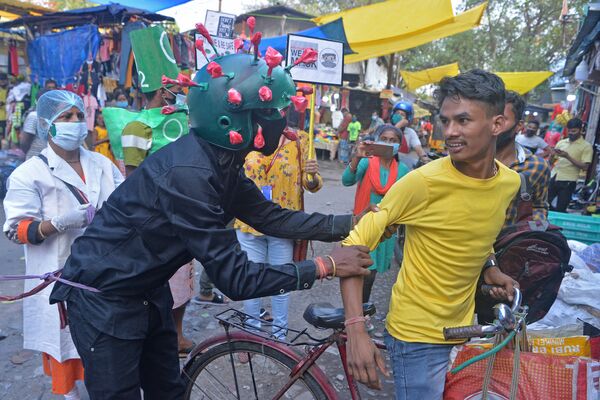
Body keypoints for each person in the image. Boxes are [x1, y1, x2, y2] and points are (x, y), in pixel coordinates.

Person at [48, 41, 373, 399]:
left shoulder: (223, 160)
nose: (283, 121)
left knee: (168, 390)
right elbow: (235, 279)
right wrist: (326, 265)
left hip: (148, 290)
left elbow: (267, 216)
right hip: (104, 298)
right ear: (233, 117)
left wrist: (349, 223)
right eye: (272, 111)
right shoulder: (190, 173)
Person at [339, 70, 521, 398]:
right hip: (417, 338)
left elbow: (475, 232)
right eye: (446, 120)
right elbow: (353, 246)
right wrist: (355, 332)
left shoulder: (509, 182)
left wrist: (490, 266)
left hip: (464, 331)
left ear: (497, 124)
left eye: (463, 120)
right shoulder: (422, 183)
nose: (450, 132)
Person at [3, 90, 124, 400]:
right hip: (61, 279)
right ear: (47, 125)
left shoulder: (103, 164)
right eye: (65, 117)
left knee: (109, 353)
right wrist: (57, 223)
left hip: (106, 276)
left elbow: (127, 207)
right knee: (65, 350)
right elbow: (16, 231)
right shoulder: (29, 174)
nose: (75, 122)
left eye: (78, 116)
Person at [118, 26, 195, 356]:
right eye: (176, 86)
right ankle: (160, 336)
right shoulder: (137, 127)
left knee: (184, 279)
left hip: (186, 216)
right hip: (155, 220)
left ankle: (176, 333)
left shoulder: (184, 121)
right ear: (164, 93)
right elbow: (132, 181)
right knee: (160, 282)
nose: (180, 90)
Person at [234, 129, 322, 339]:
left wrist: (311, 175)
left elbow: (313, 185)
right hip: (248, 223)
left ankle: (279, 335)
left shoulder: (300, 139)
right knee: (251, 281)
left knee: (281, 282)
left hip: (282, 224)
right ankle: (251, 334)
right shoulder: (243, 134)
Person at [342, 124, 410, 309]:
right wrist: (357, 157)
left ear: (399, 145)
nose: (388, 143)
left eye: (393, 141)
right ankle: (356, 313)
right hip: (363, 226)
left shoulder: (404, 170)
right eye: (385, 139)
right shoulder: (366, 162)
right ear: (377, 140)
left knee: (371, 274)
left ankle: (359, 312)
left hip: (385, 231)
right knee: (364, 270)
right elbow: (346, 180)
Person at [495, 91, 551, 225]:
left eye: (501, 120)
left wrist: (533, 236)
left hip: (508, 242)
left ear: (519, 126)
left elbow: (539, 206)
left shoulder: (537, 167)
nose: (493, 126)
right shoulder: (469, 160)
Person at [548, 117, 593, 212]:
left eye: (574, 131)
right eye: (569, 131)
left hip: (569, 181)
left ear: (581, 130)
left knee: (560, 208)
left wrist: (567, 156)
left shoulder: (586, 146)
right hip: (554, 176)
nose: (571, 133)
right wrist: (552, 155)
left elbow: (585, 167)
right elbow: (551, 162)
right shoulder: (561, 142)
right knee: (545, 205)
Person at [391, 101, 430, 166]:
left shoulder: (410, 132)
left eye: (402, 114)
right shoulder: (385, 127)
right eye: (397, 113)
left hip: (401, 165)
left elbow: (419, 150)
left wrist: (425, 160)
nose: (399, 116)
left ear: (407, 118)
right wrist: (398, 125)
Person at [20, 88, 49, 159]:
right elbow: (25, 141)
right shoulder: (34, 116)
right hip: (34, 158)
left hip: (49, 159)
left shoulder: (54, 117)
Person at [0, 72, 8, 147]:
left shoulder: (10, 90)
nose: (2, 81)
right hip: (1, 117)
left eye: (4, 80)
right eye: (1, 79)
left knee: (5, 136)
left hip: (7, 117)